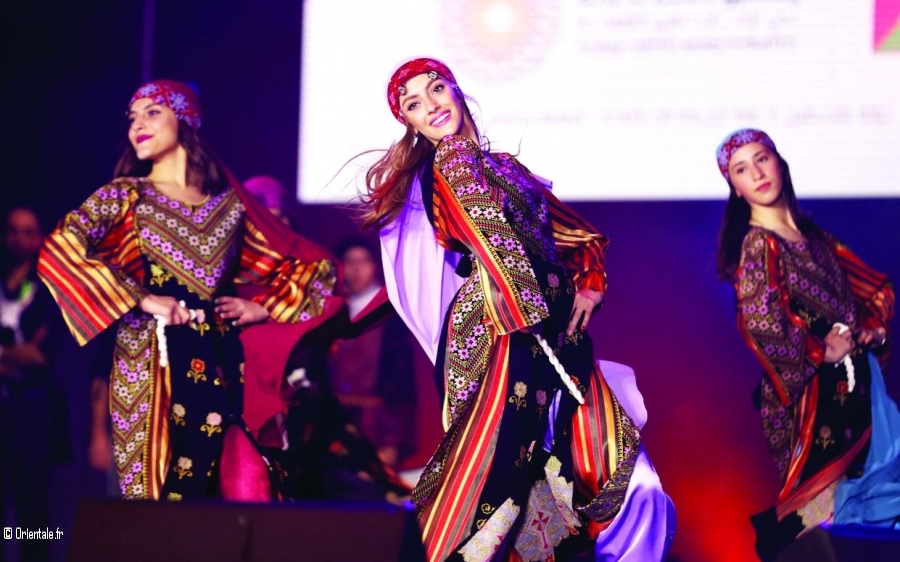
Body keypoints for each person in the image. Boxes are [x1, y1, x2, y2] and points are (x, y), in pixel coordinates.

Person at [360, 57, 674, 561]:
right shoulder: (452, 164)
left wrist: (589, 286)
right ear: (410, 124)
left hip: (551, 335)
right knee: (500, 488)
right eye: (414, 104)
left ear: (458, 91)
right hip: (498, 337)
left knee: (618, 473)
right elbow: (492, 239)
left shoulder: (506, 165)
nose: (432, 105)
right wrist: (526, 313)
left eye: (436, 89)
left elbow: (579, 235)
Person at [38, 80, 343, 502]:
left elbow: (316, 268)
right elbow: (61, 246)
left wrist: (263, 307)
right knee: (161, 498)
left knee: (235, 491)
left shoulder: (230, 207)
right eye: (132, 117)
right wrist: (140, 297)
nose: (137, 125)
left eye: (152, 112)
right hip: (153, 360)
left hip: (223, 363)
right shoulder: (127, 196)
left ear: (184, 119)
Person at [715, 128, 897, 559]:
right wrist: (819, 351)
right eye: (742, 169)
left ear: (779, 162)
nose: (757, 173)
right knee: (826, 508)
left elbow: (874, 287)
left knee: (870, 502)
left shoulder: (814, 237)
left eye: (762, 159)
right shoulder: (759, 243)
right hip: (809, 398)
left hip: (859, 387)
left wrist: (873, 328)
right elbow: (760, 321)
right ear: (735, 189)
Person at [0, 206, 64, 562]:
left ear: (39, 237)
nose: (19, 239)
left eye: (28, 232)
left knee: (32, 510)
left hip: (31, 412)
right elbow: (24, 352)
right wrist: (14, 354)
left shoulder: (46, 292)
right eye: (12, 231)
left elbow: (40, 356)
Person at [330, 237, 418, 469]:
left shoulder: (390, 310)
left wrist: (392, 438)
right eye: (350, 261)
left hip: (377, 420)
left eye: (364, 261)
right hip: (335, 416)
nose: (357, 269)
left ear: (375, 265)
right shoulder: (331, 307)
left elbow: (401, 378)